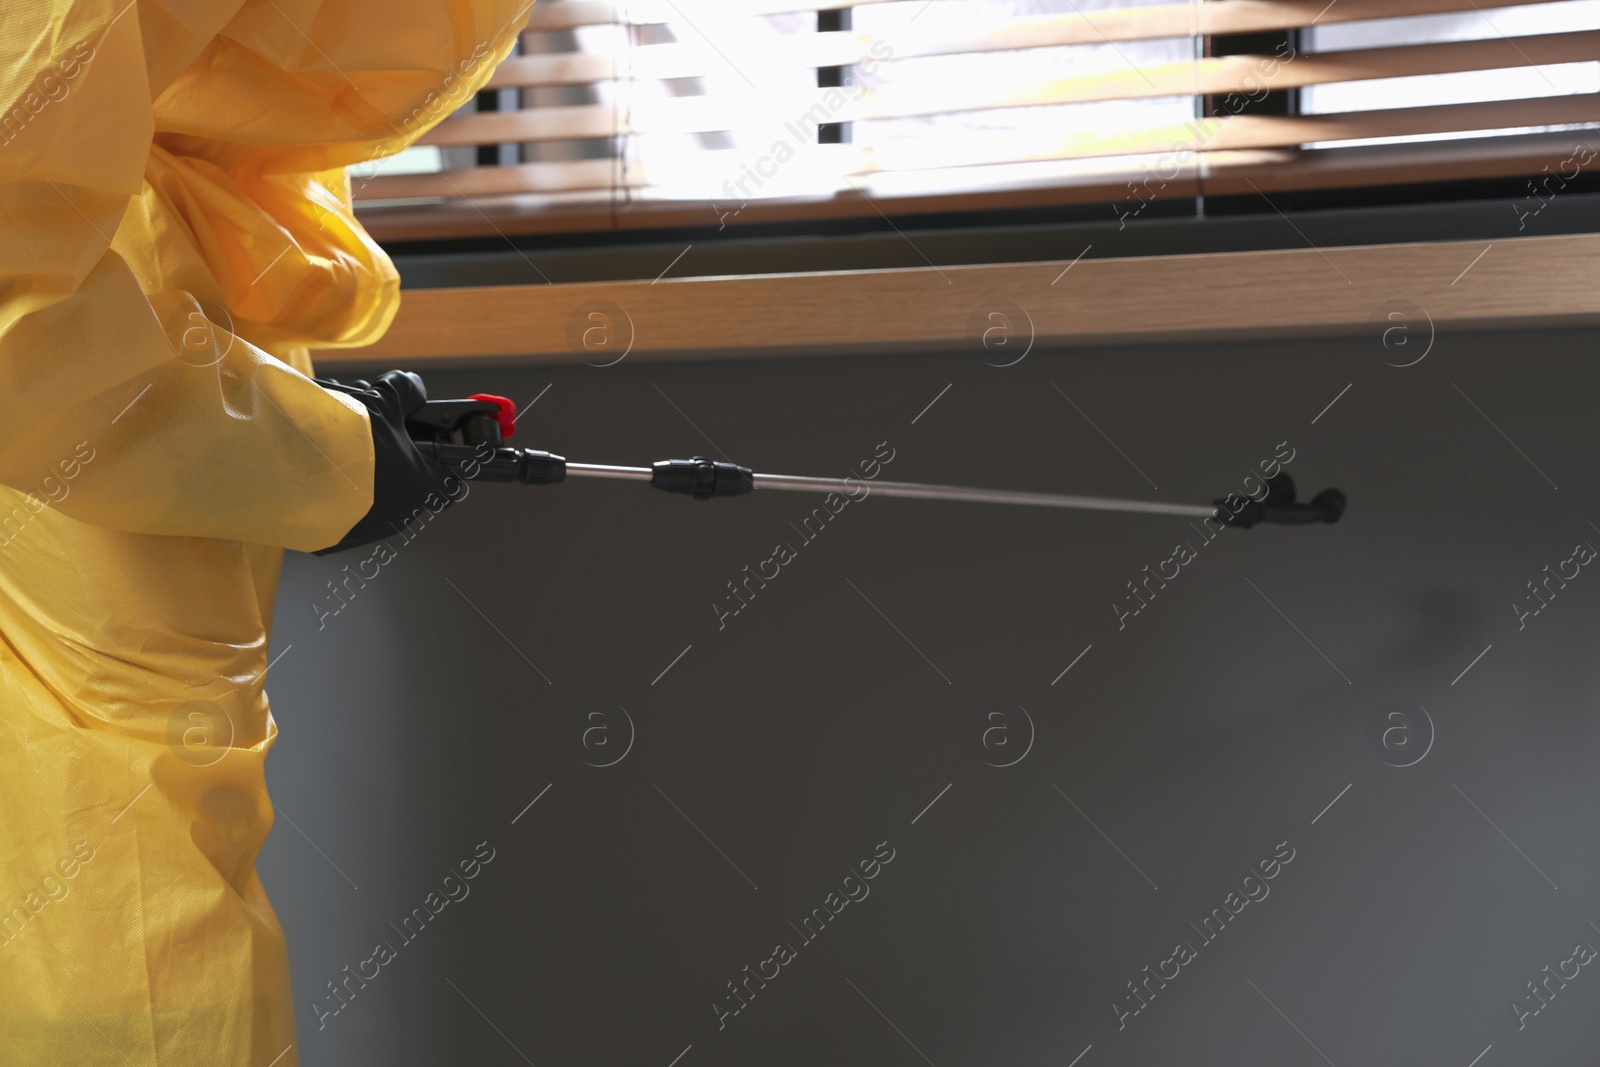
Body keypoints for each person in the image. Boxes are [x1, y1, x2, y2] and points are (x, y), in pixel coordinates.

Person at [0, 2, 531, 1063]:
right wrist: (325, 461)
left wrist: (312, 431)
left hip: (99, 290)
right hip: (69, 354)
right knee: (129, 814)